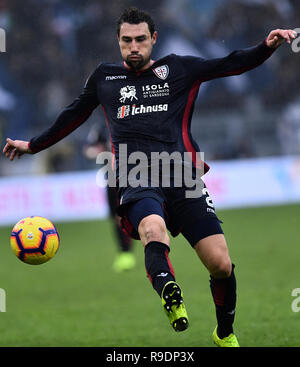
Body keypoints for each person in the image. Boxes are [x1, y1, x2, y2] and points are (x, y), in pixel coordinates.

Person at [3, 7, 296, 347]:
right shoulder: (105, 78)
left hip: (184, 179)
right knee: (152, 229)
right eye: (126, 40)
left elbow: (229, 63)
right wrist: (34, 145)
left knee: (221, 264)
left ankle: (224, 332)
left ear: (153, 38)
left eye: (140, 39)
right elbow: (72, 115)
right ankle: (171, 295)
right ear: (118, 41)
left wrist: (266, 47)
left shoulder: (180, 68)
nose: (133, 47)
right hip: (136, 175)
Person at [83, 123, 135, 272]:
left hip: (135, 175)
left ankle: (150, 247)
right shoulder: (101, 127)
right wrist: (99, 152)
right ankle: (125, 254)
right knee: (117, 218)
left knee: (141, 212)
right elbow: (88, 150)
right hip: (112, 178)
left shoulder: (132, 119)